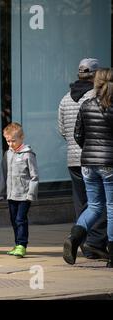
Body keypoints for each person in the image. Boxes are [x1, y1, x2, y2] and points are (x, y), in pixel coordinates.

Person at [58, 58, 108, 259]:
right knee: (102, 202)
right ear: (95, 75)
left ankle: (83, 241)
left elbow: (62, 129)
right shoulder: (99, 97)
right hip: (96, 157)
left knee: (82, 202)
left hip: (73, 158)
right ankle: (95, 243)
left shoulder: (65, 99)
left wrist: (73, 144)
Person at [0, 123, 39, 258]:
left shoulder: (28, 155)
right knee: (14, 220)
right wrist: (1, 192)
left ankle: (22, 245)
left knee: (20, 219)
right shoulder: (7, 154)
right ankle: (17, 244)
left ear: (22, 137)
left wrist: (31, 193)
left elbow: (34, 175)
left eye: (13, 141)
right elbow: (3, 174)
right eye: (8, 141)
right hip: (11, 194)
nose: (10, 144)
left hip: (24, 195)